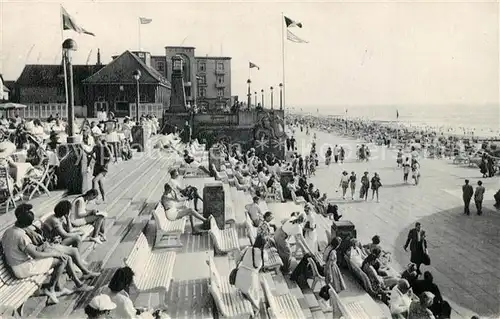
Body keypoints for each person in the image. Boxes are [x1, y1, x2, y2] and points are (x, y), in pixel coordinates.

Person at [2, 204, 94, 304]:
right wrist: (55, 254)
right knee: (62, 259)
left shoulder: (9, 231)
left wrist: (47, 249)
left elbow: (30, 249)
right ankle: (51, 289)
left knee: (62, 256)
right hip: (23, 268)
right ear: (26, 224)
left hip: (16, 265)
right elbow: (35, 255)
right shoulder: (21, 236)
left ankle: (70, 285)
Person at [234, 235, 268, 316]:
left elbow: (238, 258)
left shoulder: (247, 248)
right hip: (251, 278)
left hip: (238, 277)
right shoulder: (263, 253)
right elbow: (265, 261)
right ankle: (255, 309)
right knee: (255, 295)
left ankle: (246, 295)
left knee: (247, 290)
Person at [91, 137, 112, 203]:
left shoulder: (105, 147)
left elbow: (111, 157)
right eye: (95, 141)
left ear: (99, 140)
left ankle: (95, 198)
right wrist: (95, 159)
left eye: (96, 140)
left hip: (103, 168)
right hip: (97, 167)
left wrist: (106, 164)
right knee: (100, 183)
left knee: (94, 180)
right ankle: (104, 198)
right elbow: (91, 153)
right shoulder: (95, 147)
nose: (95, 142)